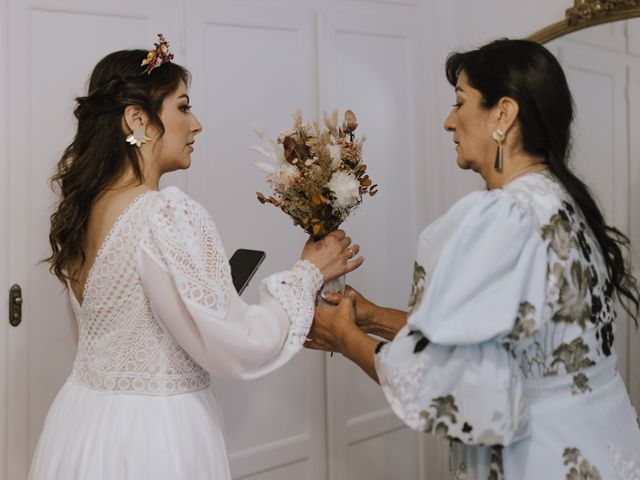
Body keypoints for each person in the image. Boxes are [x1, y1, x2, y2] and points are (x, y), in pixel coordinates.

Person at [30, 35, 363, 480]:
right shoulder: (164, 212)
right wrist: (307, 273)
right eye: (183, 107)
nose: (197, 124)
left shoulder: (83, 215)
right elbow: (239, 343)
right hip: (153, 437)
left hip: (82, 426)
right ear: (139, 120)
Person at [306, 38, 640, 478]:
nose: (449, 122)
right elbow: (502, 344)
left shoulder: (501, 217)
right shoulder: (563, 203)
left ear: (503, 113)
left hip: (538, 457)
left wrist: (345, 336)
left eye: (460, 102)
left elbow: (439, 381)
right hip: (604, 443)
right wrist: (372, 317)